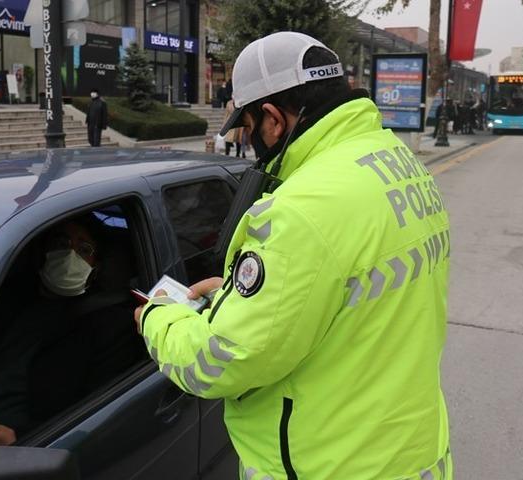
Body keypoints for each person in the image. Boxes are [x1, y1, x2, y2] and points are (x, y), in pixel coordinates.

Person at [134, 32, 452, 479]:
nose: (250, 143)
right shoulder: (399, 163)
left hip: (331, 465)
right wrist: (242, 295)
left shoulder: (299, 211)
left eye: (247, 129)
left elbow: (219, 362)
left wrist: (158, 317)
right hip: (413, 455)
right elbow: (352, 288)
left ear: (273, 119)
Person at [0, 217, 140, 453]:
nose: (70, 255)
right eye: (61, 243)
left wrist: (21, 441)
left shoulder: (109, 326)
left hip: (27, 451)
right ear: (42, 252)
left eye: (84, 249)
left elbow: (94, 415)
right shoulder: (1, 299)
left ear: (96, 267)